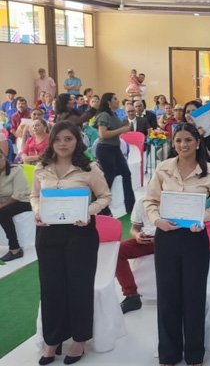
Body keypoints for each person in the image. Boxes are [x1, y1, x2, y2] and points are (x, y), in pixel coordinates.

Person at [143, 123, 210, 366]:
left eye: (188, 140)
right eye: (178, 140)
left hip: (194, 237)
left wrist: (204, 218)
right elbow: (150, 201)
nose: (183, 145)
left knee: (194, 296)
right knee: (168, 297)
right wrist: (157, 220)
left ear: (197, 142)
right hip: (166, 237)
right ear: (173, 143)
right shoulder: (163, 169)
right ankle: (169, 353)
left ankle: (194, 354)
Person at [31, 122, 111, 365]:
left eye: (68, 139)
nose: (63, 144)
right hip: (47, 234)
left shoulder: (89, 168)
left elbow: (105, 196)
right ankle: (52, 340)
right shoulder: (41, 168)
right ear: (51, 142)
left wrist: (89, 211)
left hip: (81, 234)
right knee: (51, 288)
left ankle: (79, 339)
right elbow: (34, 196)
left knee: (79, 287)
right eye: (58, 139)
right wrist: (37, 211)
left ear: (77, 141)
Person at [94, 93, 135, 214]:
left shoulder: (114, 114)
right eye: (115, 99)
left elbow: (115, 129)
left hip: (114, 148)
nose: (118, 101)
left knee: (126, 173)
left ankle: (130, 206)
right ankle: (101, 206)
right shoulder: (104, 115)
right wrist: (122, 130)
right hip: (105, 149)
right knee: (109, 177)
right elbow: (103, 134)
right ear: (108, 102)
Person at [0, 147, 32, 262]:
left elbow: (17, 195)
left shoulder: (16, 170)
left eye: (0, 157)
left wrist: (1, 206)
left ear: (4, 157)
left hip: (24, 201)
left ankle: (15, 249)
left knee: (2, 213)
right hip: (5, 203)